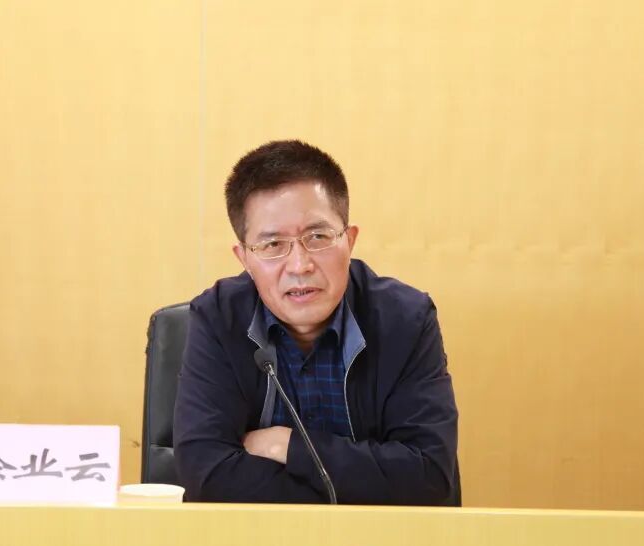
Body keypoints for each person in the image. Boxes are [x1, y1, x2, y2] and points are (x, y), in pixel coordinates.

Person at [173, 140, 459, 505]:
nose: (300, 265)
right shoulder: (218, 318)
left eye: (318, 237)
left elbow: (428, 478)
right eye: (273, 245)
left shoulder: (405, 320)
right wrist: (361, 484)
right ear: (244, 258)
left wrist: (288, 446)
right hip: (257, 538)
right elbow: (207, 477)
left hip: (382, 539)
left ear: (349, 241)